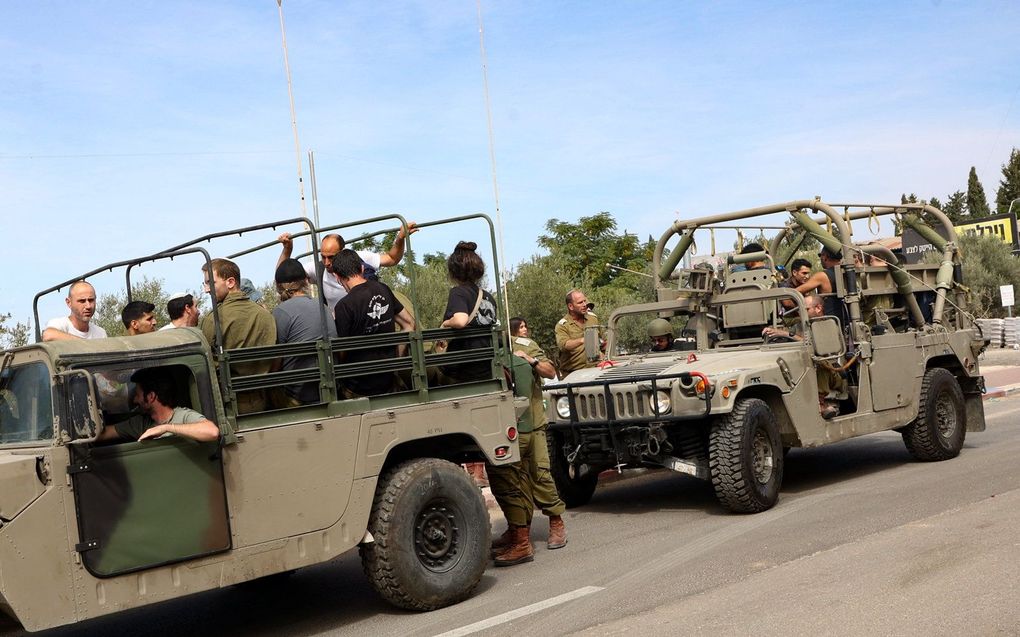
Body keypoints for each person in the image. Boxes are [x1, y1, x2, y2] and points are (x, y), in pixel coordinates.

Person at [488, 316, 568, 566]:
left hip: (533, 422)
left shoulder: (524, 345)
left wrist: (530, 359)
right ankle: (518, 532)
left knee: (540, 475)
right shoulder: (495, 347)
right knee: (516, 480)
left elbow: (550, 371)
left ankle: (556, 522)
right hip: (514, 425)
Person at [276, 223, 418, 311]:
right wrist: (287, 250)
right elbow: (282, 277)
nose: (326, 263)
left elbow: (392, 259)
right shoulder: (318, 268)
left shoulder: (359, 258)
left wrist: (400, 238)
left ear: (343, 252)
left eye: (331, 257)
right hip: (340, 329)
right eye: (323, 256)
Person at [332, 250, 415, 397]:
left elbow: (342, 351)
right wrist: (397, 361)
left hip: (357, 389)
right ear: (362, 269)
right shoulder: (384, 289)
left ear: (337, 277)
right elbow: (409, 324)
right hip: (388, 383)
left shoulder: (343, 306)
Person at [200, 258, 277, 413]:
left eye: (211, 283)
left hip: (229, 405)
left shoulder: (213, 319)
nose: (207, 290)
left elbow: (206, 365)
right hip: (263, 399)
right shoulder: (265, 315)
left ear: (230, 282)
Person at [762, 294, 844, 419]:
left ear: (818, 308)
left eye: (806, 309)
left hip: (830, 371)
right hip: (804, 366)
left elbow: (816, 347)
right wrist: (771, 331)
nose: (801, 313)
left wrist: (787, 333)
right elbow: (787, 332)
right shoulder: (800, 324)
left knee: (819, 364)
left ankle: (820, 404)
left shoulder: (828, 324)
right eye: (800, 309)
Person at [271, 259, 337, 406]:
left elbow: (277, 358)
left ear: (278, 286)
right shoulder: (322, 306)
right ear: (306, 281)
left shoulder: (280, 312)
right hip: (331, 389)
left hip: (297, 396)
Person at [96, 367, 220, 442]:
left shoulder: (182, 416)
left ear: (150, 397)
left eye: (138, 395)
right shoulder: (140, 423)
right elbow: (104, 434)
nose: (135, 400)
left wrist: (165, 428)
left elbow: (212, 432)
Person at [437, 241, 498, 383]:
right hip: (487, 366)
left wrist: (446, 323)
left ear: (453, 270)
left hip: (464, 368)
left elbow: (460, 320)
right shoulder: (488, 297)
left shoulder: (458, 292)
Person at [555, 289, 600, 378]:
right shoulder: (562, 325)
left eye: (585, 301)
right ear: (571, 306)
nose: (584, 305)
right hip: (573, 374)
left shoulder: (593, 319)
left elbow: (604, 342)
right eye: (580, 303)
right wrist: (583, 340)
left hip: (595, 370)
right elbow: (564, 345)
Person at [43, 281, 107, 341]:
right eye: (82, 301)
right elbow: (48, 335)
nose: (88, 306)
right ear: (69, 302)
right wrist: (86, 344)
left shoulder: (100, 333)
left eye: (91, 300)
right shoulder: (59, 324)